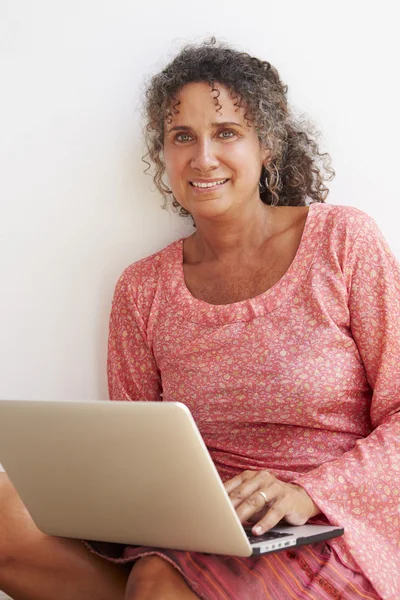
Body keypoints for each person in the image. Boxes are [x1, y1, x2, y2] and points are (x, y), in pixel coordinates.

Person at [0, 37, 399, 600]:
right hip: (194, 526)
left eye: (227, 133)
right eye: (182, 136)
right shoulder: (143, 288)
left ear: (269, 146)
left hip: (322, 527)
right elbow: (133, 446)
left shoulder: (342, 242)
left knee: (159, 584)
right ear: (162, 153)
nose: (203, 157)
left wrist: (308, 493)